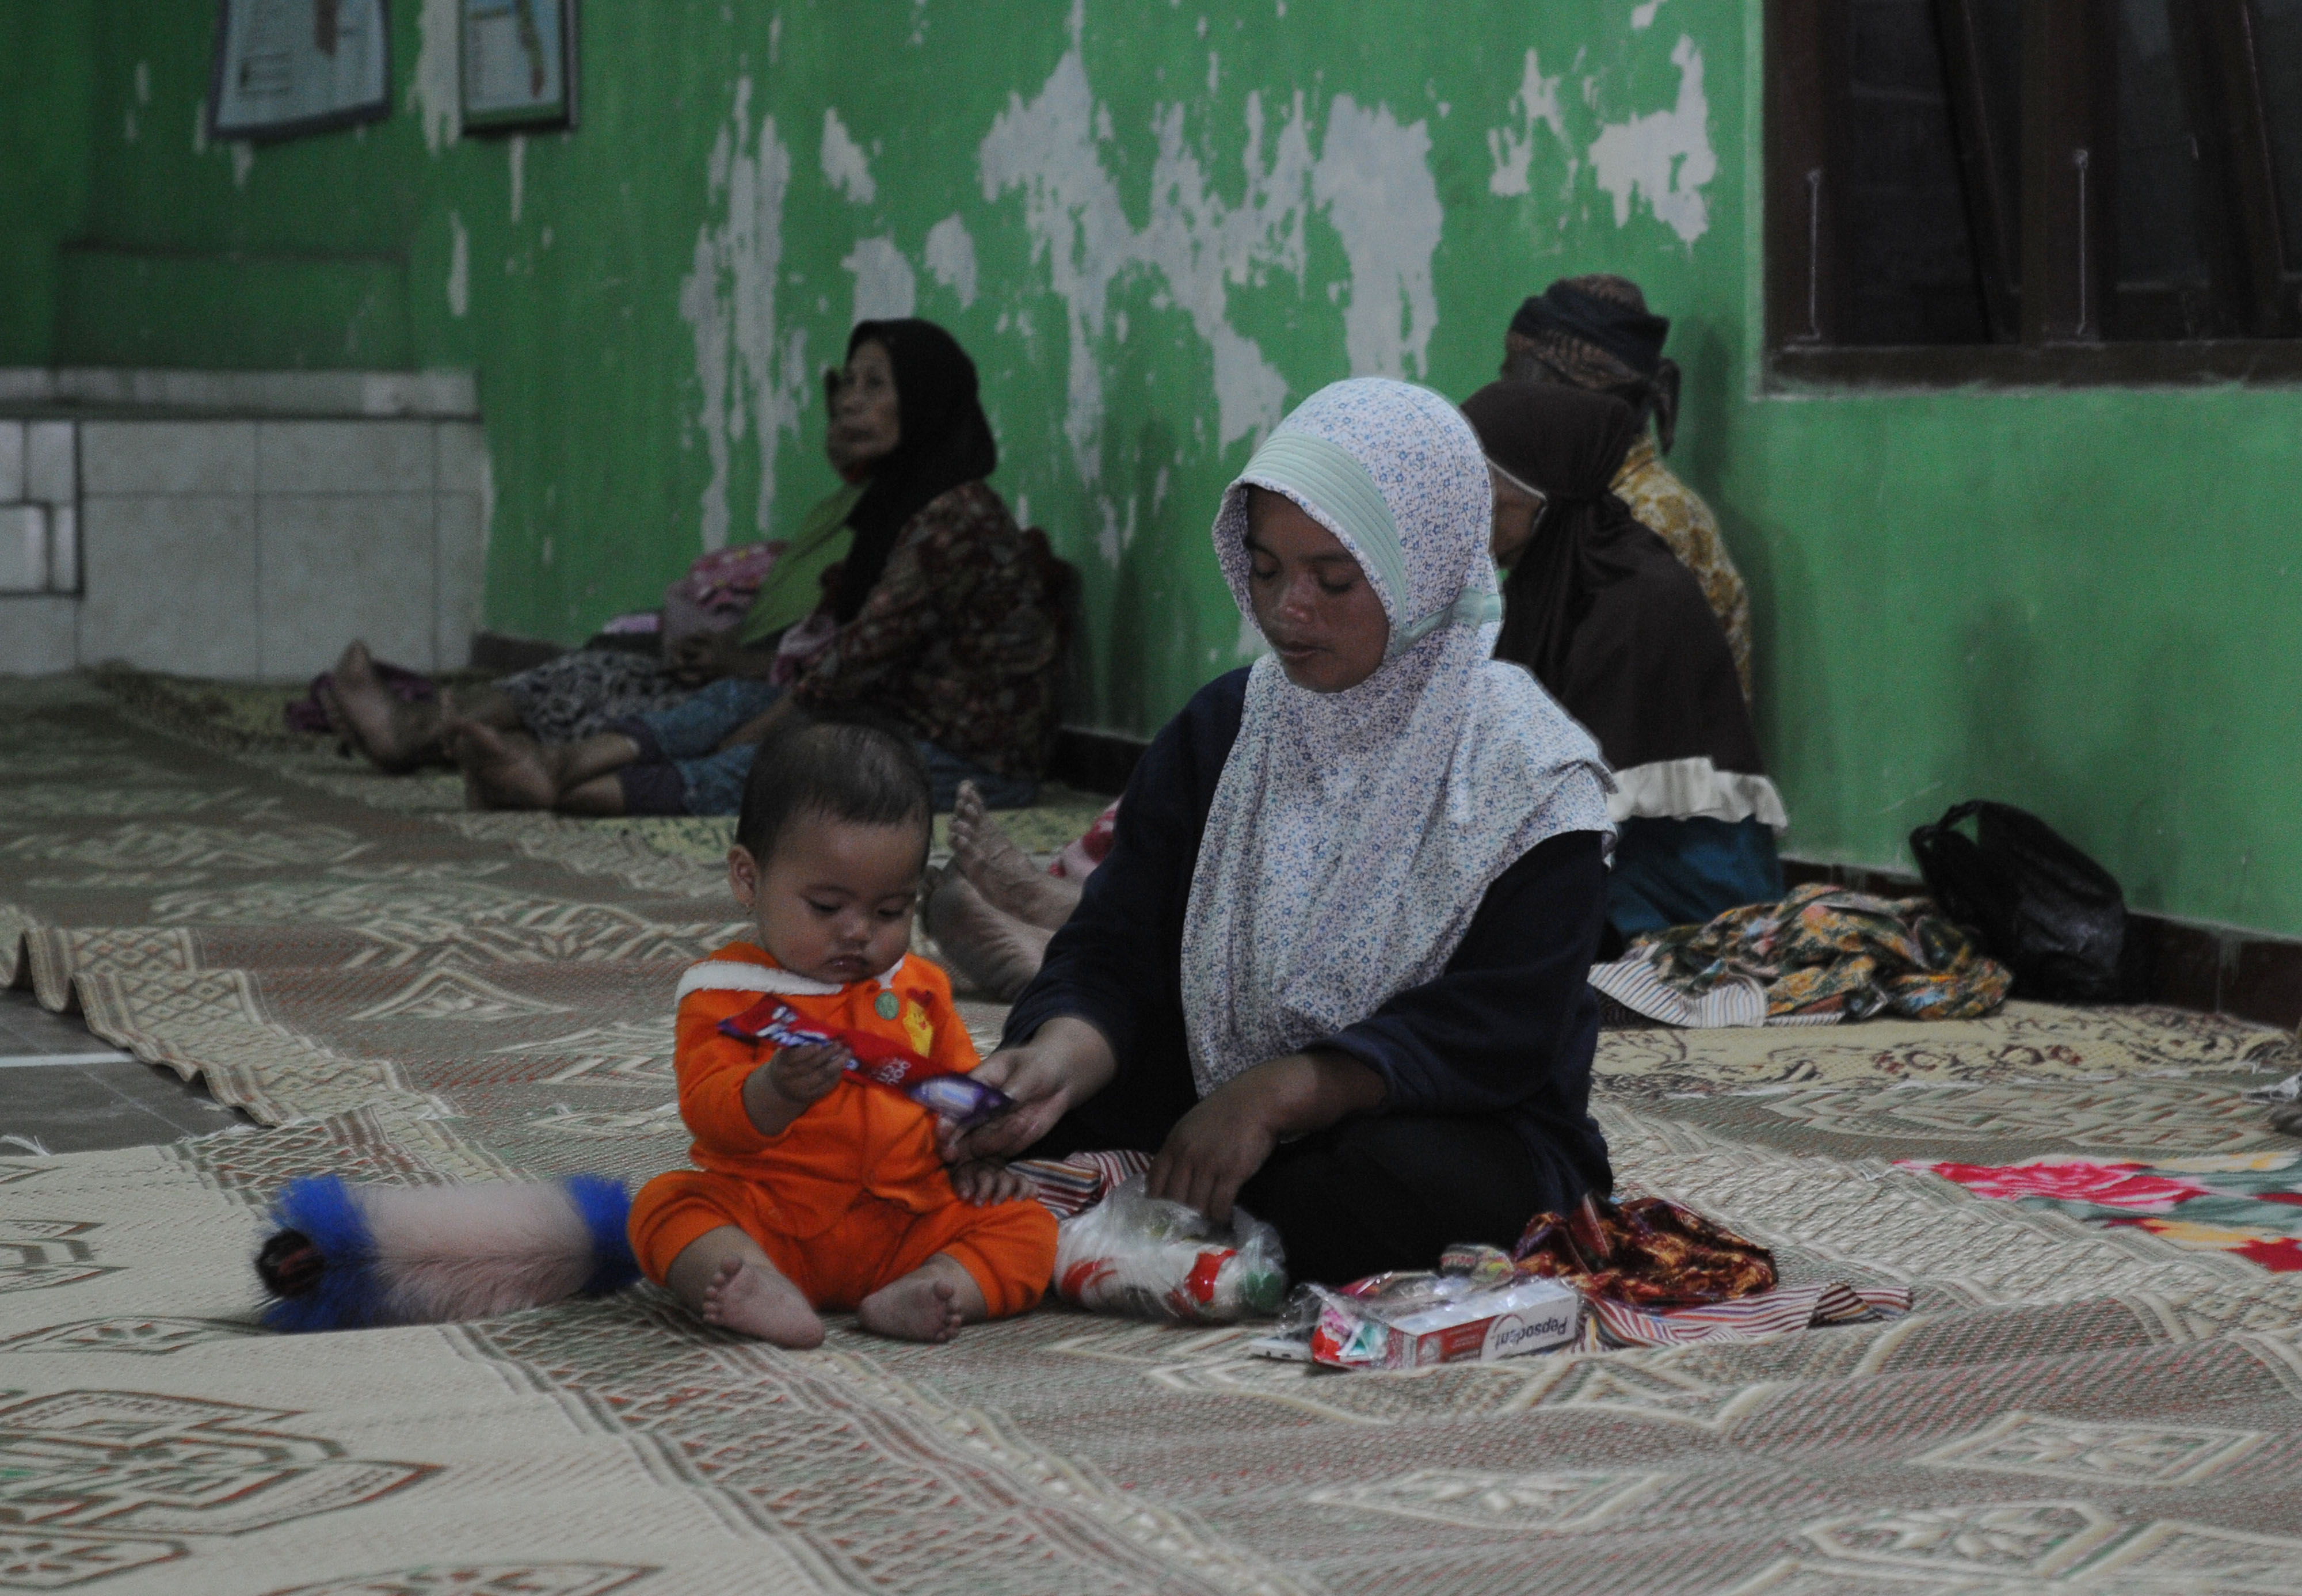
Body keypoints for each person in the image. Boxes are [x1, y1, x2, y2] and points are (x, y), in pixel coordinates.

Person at [943, 378, 1619, 1287]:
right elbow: (1120, 944)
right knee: (981, 1123)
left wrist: (1286, 1090)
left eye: (1334, 578)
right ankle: (1156, 1183)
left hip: (1446, 1118)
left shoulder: (1529, 776)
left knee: (1381, 1196)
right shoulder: (1226, 729)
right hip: (1215, 1078)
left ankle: (1153, 1200)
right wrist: (1061, 1055)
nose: (1287, 609)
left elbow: (1502, 1030)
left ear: (1419, 568)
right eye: (1265, 570)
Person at [448, 319, 1065, 815]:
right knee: (740, 698)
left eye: (875, 386)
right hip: (892, 719)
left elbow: (855, 660)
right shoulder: (894, 505)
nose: (850, 403)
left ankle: (572, 790)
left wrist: (757, 733)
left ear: (927, 399)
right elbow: (838, 658)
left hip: (974, 762)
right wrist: (756, 711)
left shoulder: (955, 517)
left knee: (795, 763)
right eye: (848, 384)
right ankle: (561, 766)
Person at [624, 721, 1058, 1348]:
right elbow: (708, 1111)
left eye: (890, 911)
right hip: (769, 1217)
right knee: (665, 1205)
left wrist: (982, 1156)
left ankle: (934, 1288)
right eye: (827, 907)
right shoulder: (721, 988)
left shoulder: (921, 988)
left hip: (907, 1226)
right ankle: (754, 1283)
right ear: (748, 879)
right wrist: (773, 1090)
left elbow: (958, 1097)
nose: (858, 932)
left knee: (1029, 1224)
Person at [1462, 380, 1786, 950]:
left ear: (1540, 487)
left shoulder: (1636, 596)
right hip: (1605, 863)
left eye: (1478, 481)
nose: (1464, 505)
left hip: (1679, 890)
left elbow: (1592, 809)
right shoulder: (1546, 584)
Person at [1504, 275, 1754, 701]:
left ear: (1574, 404)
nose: (1511, 414)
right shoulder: (1582, 505)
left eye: (1520, 393)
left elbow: (1627, 708)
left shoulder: (1653, 518)